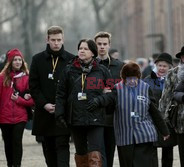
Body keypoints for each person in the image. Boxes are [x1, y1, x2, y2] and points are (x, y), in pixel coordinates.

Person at [87, 62, 170, 167]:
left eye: (134, 78)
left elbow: (154, 111)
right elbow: (108, 100)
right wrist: (98, 101)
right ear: (124, 78)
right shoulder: (117, 89)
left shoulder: (145, 88)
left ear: (138, 77)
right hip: (125, 137)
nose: (131, 81)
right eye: (128, 78)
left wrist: (164, 131)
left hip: (145, 135)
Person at [55, 38, 111, 167]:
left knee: (95, 152)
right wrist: (59, 113)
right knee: (80, 152)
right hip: (76, 117)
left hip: (95, 117)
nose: (82, 51)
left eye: (86, 49)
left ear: (93, 53)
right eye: (80, 48)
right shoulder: (69, 70)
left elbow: (112, 93)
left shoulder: (102, 71)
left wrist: (100, 100)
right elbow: (61, 94)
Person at [29, 26, 74, 167]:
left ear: (63, 39)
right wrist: (44, 104)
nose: (56, 43)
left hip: (63, 113)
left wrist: (61, 106)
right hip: (44, 113)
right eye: (53, 40)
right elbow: (33, 86)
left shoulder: (71, 60)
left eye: (59, 40)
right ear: (47, 40)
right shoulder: (37, 59)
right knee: (48, 150)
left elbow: (74, 86)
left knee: (62, 147)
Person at [159, 44, 184, 167]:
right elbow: (166, 97)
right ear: (182, 58)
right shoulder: (173, 73)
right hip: (180, 119)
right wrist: (162, 120)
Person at [94, 31, 124, 167]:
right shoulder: (89, 65)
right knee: (96, 154)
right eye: (99, 44)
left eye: (104, 44)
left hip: (113, 116)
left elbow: (124, 89)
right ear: (95, 45)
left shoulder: (119, 66)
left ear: (109, 45)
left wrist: (112, 92)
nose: (102, 47)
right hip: (94, 115)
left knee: (110, 151)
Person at [0, 48, 34, 167]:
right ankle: (10, 164)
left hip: (21, 116)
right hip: (4, 116)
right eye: (15, 60)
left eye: (20, 59)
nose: (18, 62)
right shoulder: (2, 77)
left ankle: (17, 165)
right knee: (8, 143)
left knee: (17, 141)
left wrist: (19, 100)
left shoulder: (27, 77)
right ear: (10, 62)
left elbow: (32, 100)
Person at [144, 53, 174, 167]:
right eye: (160, 65)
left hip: (168, 119)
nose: (162, 68)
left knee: (168, 150)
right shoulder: (148, 80)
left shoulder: (173, 80)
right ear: (156, 65)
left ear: (169, 67)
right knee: (152, 148)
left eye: (165, 66)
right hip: (152, 118)